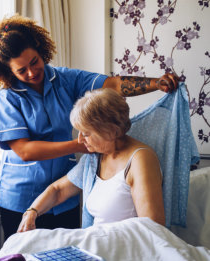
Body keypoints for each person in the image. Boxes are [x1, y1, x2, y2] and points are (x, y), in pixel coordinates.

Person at [0, 14, 176, 240]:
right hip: (21, 197)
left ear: (40, 50)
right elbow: (25, 151)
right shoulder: (6, 98)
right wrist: (81, 144)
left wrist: (155, 83)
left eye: (34, 62)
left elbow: (112, 84)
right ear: (7, 71)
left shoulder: (66, 79)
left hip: (64, 198)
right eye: (21, 71)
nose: (32, 73)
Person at [17, 88, 165, 232]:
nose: (80, 140)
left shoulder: (140, 160)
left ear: (111, 131)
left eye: (86, 133)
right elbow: (58, 190)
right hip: (97, 245)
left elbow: (153, 229)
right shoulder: (95, 159)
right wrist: (32, 211)